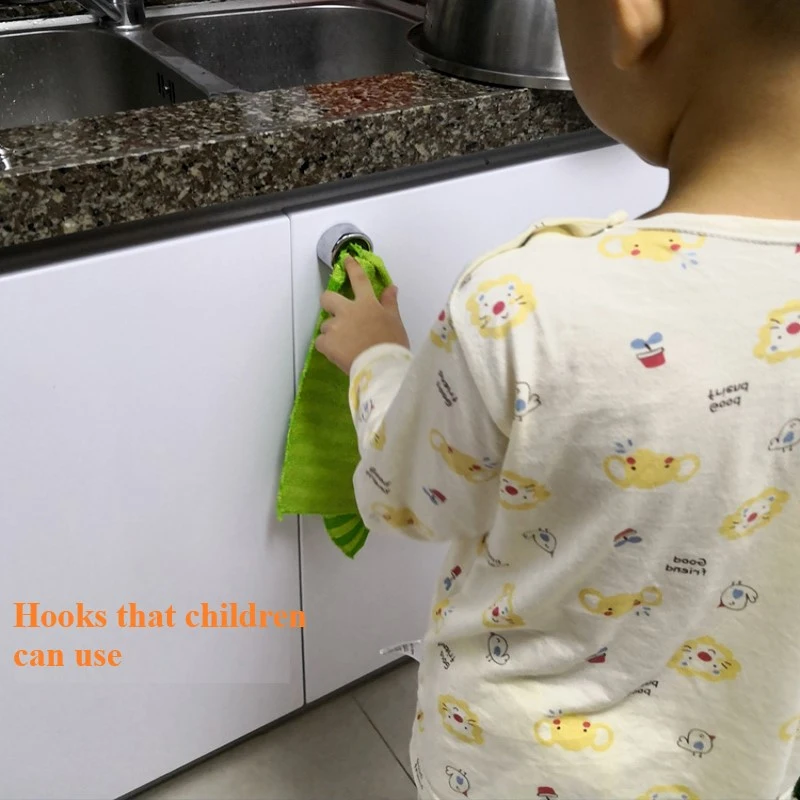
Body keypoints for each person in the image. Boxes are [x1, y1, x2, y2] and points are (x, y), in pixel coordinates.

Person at [314, 1, 800, 797]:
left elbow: (406, 498)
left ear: (631, 17)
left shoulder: (525, 305)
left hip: (507, 770)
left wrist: (376, 358)